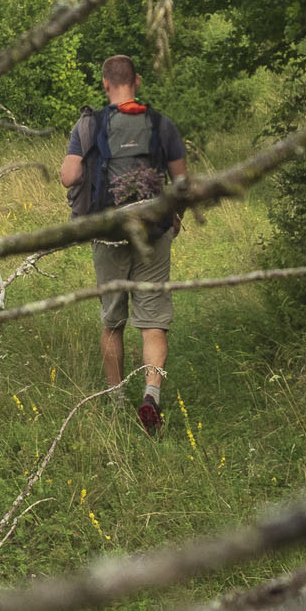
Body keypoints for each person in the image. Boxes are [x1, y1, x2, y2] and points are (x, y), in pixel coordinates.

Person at [59, 55, 188, 434]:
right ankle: (151, 395)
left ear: (104, 84)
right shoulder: (161, 124)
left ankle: (116, 399)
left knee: (112, 321)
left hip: (108, 233)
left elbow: (68, 177)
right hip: (153, 231)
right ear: (138, 81)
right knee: (153, 324)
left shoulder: (88, 124)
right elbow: (181, 182)